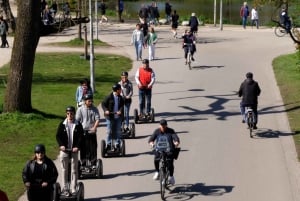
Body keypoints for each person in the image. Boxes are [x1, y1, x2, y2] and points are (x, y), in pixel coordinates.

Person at [56, 106, 83, 196]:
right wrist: (61, 145)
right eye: (68, 113)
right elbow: (58, 136)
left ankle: (73, 188)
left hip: (74, 150)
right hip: (65, 151)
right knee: (64, 170)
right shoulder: (62, 124)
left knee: (74, 170)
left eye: (71, 113)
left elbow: (81, 137)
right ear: (66, 114)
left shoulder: (78, 124)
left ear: (74, 114)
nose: (70, 115)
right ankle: (65, 188)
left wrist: (77, 147)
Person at [148, 119, 180, 185]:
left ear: (166, 125)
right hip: (159, 150)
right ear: (160, 125)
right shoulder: (157, 131)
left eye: (164, 126)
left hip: (169, 150)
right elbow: (151, 139)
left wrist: (176, 142)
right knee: (156, 160)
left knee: (170, 163)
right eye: (161, 126)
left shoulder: (171, 131)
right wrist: (151, 143)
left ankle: (171, 176)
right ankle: (157, 172)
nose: (163, 127)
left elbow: (175, 137)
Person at [76, 94, 100, 166]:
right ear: (85, 101)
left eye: (91, 101)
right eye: (88, 101)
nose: (90, 102)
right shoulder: (80, 109)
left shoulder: (95, 109)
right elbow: (77, 121)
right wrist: (79, 129)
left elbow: (97, 119)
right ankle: (83, 163)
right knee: (83, 148)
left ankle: (93, 163)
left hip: (91, 131)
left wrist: (94, 127)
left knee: (93, 148)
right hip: (83, 132)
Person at [101, 83, 124, 147]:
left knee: (118, 131)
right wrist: (106, 110)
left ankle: (117, 143)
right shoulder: (109, 97)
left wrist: (120, 111)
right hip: (110, 117)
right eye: (120, 89)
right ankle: (108, 143)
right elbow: (103, 104)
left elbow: (122, 106)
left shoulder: (121, 98)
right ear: (117, 90)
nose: (121, 90)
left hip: (118, 117)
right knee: (109, 131)